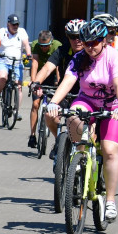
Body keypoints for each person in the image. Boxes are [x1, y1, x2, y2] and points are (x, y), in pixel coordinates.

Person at [45, 18, 118, 221]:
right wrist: (54, 103)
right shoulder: (79, 58)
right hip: (88, 101)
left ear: (103, 41)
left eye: (94, 42)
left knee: (109, 151)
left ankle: (110, 201)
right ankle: (80, 161)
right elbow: (68, 82)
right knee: (73, 117)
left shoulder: (113, 57)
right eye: (87, 42)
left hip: (114, 106)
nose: (90, 47)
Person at [28, 18, 84, 151]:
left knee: (80, 126)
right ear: (67, 37)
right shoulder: (62, 50)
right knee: (49, 115)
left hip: (85, 95)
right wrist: (36, 82)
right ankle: (60, 140)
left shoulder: (90, 52)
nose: (76, 40)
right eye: (72, 37)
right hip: (65, 92)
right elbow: (47, 68)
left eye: (80, 36)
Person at [0, 14, 32, 121]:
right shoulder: (2, 31)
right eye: (13, 24)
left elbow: (26, 44)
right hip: (4, 60)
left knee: (18, 86)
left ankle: (16, 111)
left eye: (17, 24)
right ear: (8, 24)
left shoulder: (22, 32)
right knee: (3, 77)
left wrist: (28, 54)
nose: (15, 26)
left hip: (17, 62)